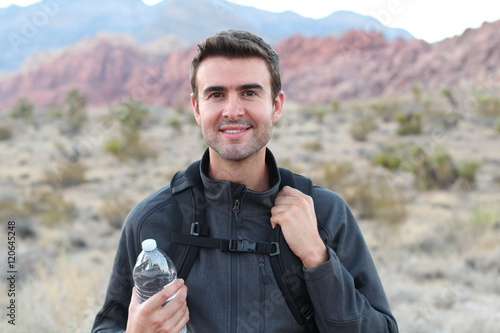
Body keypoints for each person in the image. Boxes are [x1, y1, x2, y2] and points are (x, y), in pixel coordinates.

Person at [92, 30, 398, 332]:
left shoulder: (326, 214)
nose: (233, 111)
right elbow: (108, 326)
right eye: (216, 95)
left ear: (276, 105)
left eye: (249, 93)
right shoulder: (152, 220)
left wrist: (317, 259)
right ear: (197, 108)